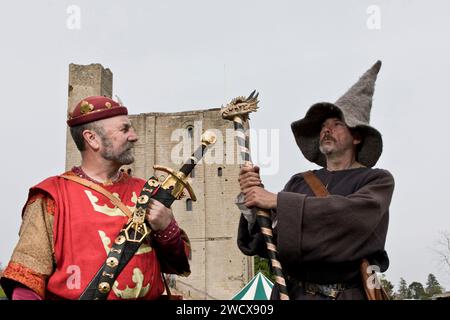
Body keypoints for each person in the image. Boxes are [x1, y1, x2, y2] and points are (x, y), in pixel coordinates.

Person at [0, 96, 191, 300]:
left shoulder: (146, 191)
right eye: (124, 130)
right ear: (92, 139)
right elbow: (26, 280)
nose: (134, 136)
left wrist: (166, 228)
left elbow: (179, 264)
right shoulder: (53, 196)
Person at [237, 60, 395, 300]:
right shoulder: (299, 182)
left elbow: (349, 219)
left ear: (357, 137)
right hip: (292, 294)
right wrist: (253, 204)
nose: (326, 130)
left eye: (337, 124)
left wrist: (278, 201)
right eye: (323, 126)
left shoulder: (377, 181)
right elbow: (267, 243)